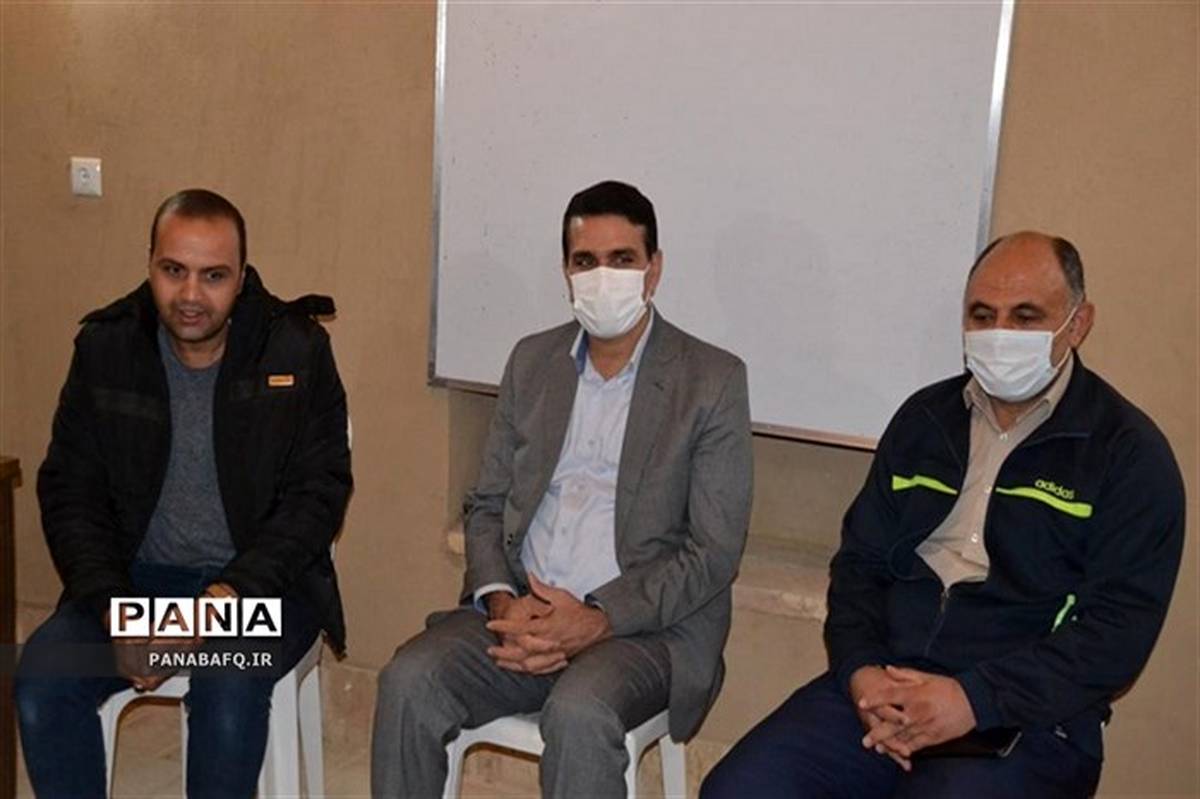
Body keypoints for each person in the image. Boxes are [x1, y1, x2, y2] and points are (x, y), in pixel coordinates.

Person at [701, 232, 1185, 799]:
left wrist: (972, 699)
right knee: (738, 788)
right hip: (887, 684)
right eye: (982, 315)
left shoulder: (1127, 454)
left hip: (1029, 716)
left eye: (1025, 317)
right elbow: (859, 566)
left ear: (1078, 324)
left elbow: (1117, 633)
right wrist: (862, 673)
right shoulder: (923, 420)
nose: (999, 333)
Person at [371, 180, 754, 797]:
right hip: (521, 610)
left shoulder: (711, 380)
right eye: (586, 261)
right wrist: (503, 603)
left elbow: (713, 551)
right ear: (567, 273)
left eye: (622, 260)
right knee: (408, 680)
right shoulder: (532, 362)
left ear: (653, 270)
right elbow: (487, 504)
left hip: (642, 630)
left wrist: (597, 619)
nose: (603, 277)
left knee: (578, 714)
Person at [15, 188, 352, 798]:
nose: (191, 295)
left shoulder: (296, 349)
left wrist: (218, 603)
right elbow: (70, 492)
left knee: (228, 686)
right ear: (149, 265)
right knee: (42, 676)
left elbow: (315, 499)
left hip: (259, 595)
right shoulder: (105, 347)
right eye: (173, 270)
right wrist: (115, 611)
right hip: (136, 585)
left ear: (242, 278)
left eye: (213, 276)